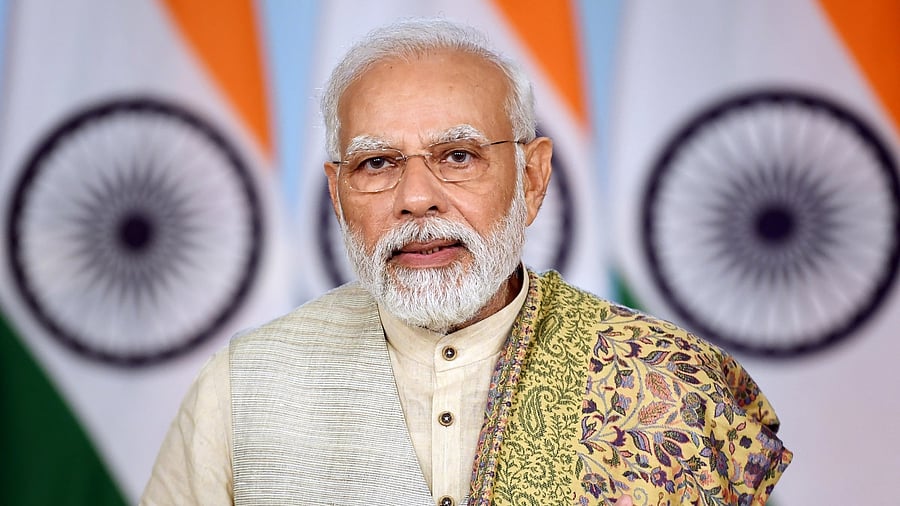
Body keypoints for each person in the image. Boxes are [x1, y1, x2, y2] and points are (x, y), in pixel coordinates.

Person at [141, 18, 791, 506]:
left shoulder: (669, 382)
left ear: (532, 179)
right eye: (377, 163)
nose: (416, 198)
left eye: (458, 156)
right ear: (338, 194)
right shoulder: (246, 381)